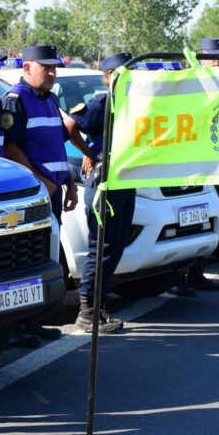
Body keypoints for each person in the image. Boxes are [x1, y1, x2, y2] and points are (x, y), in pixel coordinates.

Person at [65, 52, 135, 332]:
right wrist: (91, 152)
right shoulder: (102, 102)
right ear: (108, 77)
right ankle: (87, 312)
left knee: (115, 247)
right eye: (120, 72)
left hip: (125, 181)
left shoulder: (135, 103)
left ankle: (100, 308)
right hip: (104, 183)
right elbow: (70, 128)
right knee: (102, 248)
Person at [170, 37, 219, 295]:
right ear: (200, 57)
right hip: (186, 163)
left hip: (211, 163)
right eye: (212, 56)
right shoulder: (187, 81)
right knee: (184, 219)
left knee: (202, 217)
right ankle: (177, 277)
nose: (217, 61)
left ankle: (196, 272)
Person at [2, 45, 79, 221]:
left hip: (54, 189)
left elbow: (58, 148)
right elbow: (10, 149)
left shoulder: (50, 99)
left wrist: (71, 185)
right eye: (46, 68)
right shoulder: (15, 101)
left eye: (54, 68)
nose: (52, 73)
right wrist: (43, 183)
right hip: (34, 193)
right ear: (27, 68)